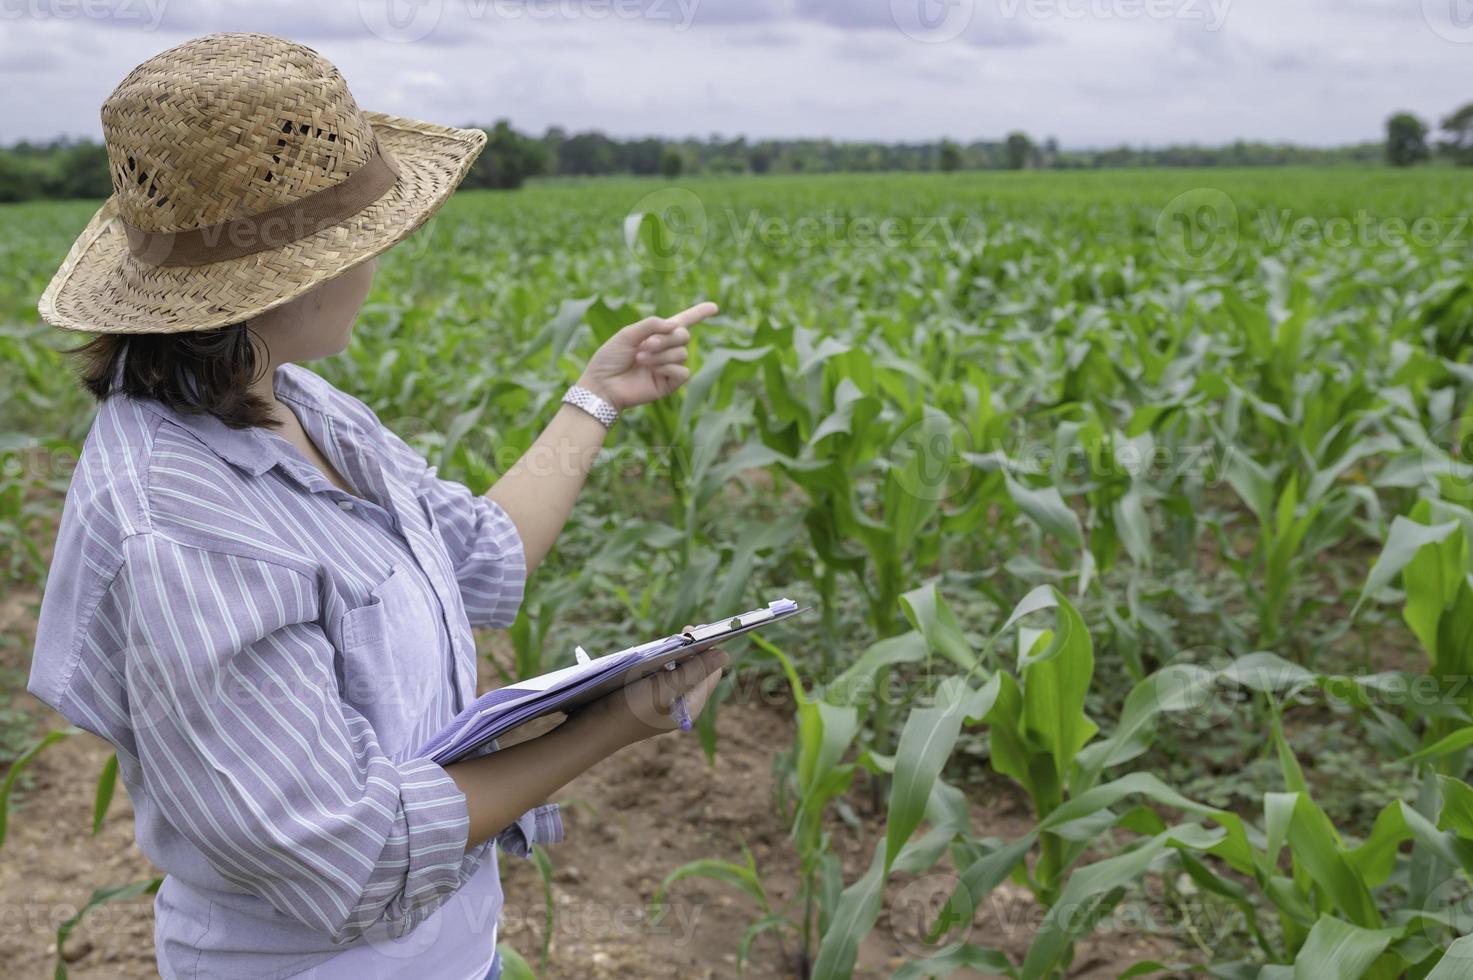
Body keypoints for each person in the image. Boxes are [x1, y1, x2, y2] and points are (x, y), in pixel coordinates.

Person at [27, 32, 726, 980]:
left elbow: (481, 554)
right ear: (286, 278)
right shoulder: (186, 522)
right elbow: (349, 851)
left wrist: (594, 397)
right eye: (362, 242)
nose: (378, 262)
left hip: (444, 948)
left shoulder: (291, 401)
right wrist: (609, 726)